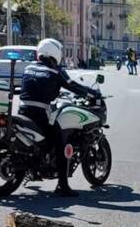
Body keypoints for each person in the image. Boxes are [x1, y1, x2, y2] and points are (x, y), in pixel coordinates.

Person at [19, 38, 90, 197]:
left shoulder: (28, 67)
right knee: (62, 142)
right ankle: (62, 185)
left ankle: (33, 168)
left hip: (22, 112)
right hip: (40, 115)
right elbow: (73, 86)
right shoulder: (55, 71)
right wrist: (92, 93)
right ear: (55, 53)